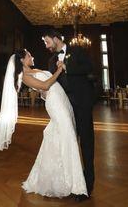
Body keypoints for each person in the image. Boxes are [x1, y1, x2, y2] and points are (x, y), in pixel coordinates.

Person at [0, 48, 87, 198]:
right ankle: (74, 182)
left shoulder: (34, 70)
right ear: (22, 60)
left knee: (61, 136)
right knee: (68, 136)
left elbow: (44, 90)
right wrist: (59, 70)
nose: (32, 56)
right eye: (29, 55)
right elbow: (44, 86)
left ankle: (63, 177)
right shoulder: (24, 76)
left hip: (61, 100)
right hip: (56, 105)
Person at [43, 29, 95, 199]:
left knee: (86, 143)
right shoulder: (51, 60)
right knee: (68, 145)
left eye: (47, 41)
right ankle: (72, 182)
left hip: (83, 104)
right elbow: (52, 82)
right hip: (65, 108)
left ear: (56, 38)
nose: (46, 45)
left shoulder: (77, 50)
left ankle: (87, 185)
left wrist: (67, 66)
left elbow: (90, 67)